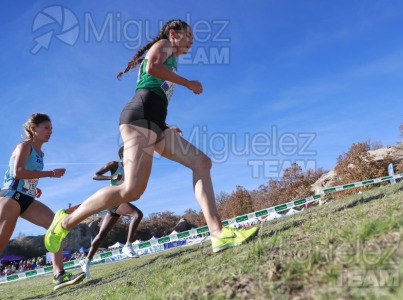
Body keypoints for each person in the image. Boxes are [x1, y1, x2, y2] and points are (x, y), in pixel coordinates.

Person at [45, 19, 258, 255]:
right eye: (188, 35)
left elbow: (155, 92)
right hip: (140, 118)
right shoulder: (165, 44)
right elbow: (152, 68)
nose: (191, 41)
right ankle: (65, 221)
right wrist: (188, 83)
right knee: (130, 190)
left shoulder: (172, 59)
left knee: (201, 162)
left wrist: (165, 125)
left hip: (155, 123)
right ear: (174, 34)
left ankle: (218, 234)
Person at [0, 113, 85, 290]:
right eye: (46, 128)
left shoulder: (41, 153)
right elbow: (18, 173)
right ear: (33, 129)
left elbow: (27, 176)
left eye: (51, 129)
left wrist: (33, 187)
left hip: (27, 199)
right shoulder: (25, 146)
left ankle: (59, 274)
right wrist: (51, 174)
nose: (50, 132)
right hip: (11, 197)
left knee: (56, 226)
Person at [79, 147, 143, 279]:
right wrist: (111, 176)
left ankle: (86, 261)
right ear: (123, 154)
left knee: (102, 234)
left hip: (119, 200)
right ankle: (128, 246)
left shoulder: (130, 169)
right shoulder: (114, 164)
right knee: (137, 215)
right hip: (113, 198)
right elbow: (95, 175)